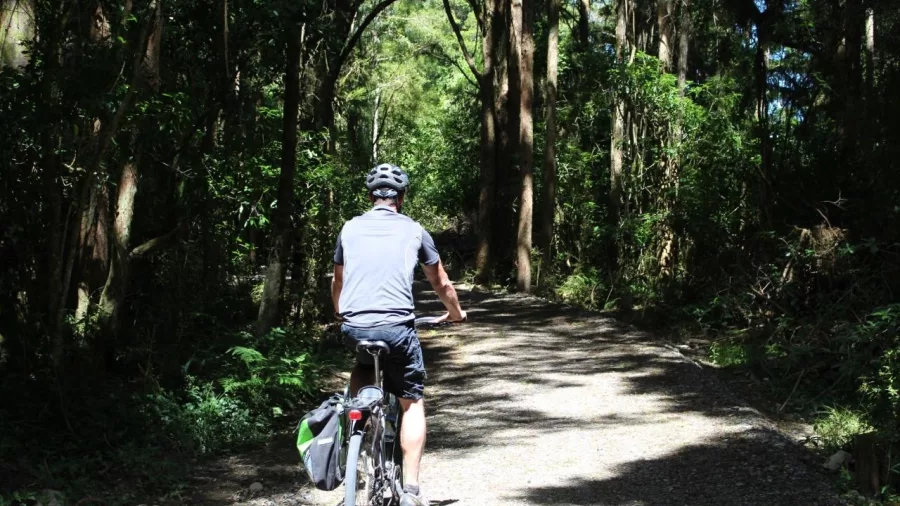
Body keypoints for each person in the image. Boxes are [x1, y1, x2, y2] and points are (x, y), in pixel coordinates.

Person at [331, 163, 467, 506]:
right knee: (412, 402)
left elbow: (338, 281)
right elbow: (441, 282)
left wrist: (340, 312)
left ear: (370, 197)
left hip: (355, 325)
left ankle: (357, 427)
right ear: (401, 198)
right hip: (397, 329)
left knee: (363, 366)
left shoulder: (349, 228)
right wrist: (455, 314)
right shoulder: (415, 230)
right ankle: (411, 489)